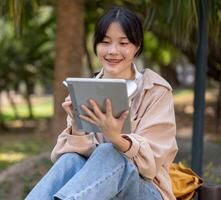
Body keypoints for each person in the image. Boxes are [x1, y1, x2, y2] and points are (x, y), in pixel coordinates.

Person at [25, 6, 178, 200]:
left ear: (137, 46)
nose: (113, 51)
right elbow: (75, 162)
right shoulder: (85, 89)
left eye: (123, 43)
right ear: (96, 45)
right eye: (105, 42)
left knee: (110, 152)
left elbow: (151, 166)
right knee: (71, 159)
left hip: (146, 190)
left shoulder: (155, 90)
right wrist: (77, 127)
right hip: (95, 192)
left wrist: (116, 138)